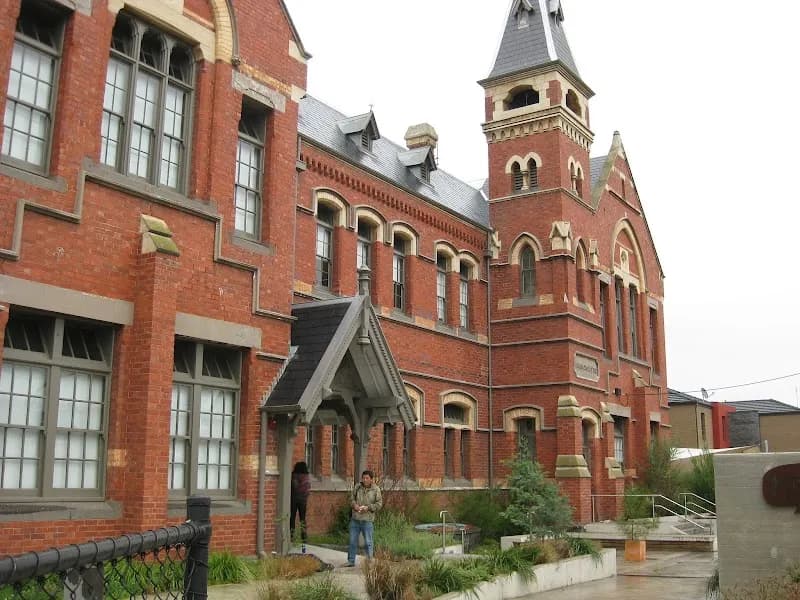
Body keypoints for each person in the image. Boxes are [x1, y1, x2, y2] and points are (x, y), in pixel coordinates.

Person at [345, 469, 382, 567]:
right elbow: (351, 499)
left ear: (371, 479)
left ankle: (369, 561)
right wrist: (355, 506)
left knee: (368, 542)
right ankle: (351, 561)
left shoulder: (376, 489)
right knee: (352, 541)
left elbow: (379, 504)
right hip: (355, 519)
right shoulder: (357, 487)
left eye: (367, 478)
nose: (365, 480)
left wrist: (368, 507)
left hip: (367, 520)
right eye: (363, 478)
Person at [290, 461, 310, 544]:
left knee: (292, 518)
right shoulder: (306, 477)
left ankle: (291, 536)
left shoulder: (294, 475)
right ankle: (304, 537)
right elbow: (308, 488)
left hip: (294, 499)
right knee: (302, 519)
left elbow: (294, 486)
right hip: (303, 500)